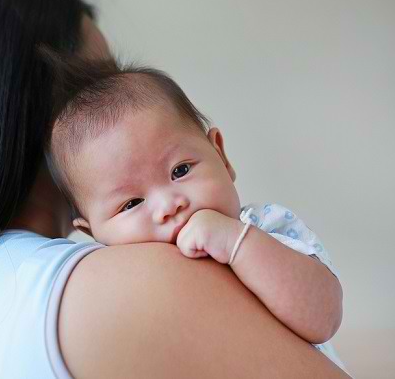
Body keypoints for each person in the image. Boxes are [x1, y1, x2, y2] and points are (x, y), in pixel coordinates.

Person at [0, 0, 350, 378]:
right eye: (97, 84)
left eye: (179, 168)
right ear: (41, 123)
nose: (169, 205)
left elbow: (322, 310)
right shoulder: (132, 284)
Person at [44, 57, 346, 369]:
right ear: (92, 232)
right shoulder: (114, 290)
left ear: (221, 155)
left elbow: (324, 317)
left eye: (180, 170)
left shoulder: (263, 226)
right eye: (131, 204)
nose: (168, 205)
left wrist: (236, 243)